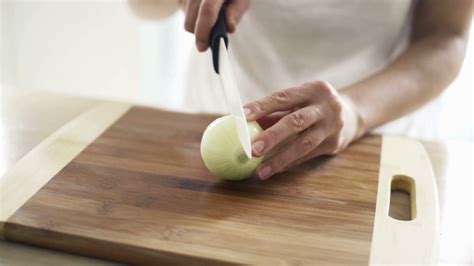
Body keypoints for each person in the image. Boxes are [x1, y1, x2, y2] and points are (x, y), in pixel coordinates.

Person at [130, 0, 472, 180]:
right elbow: (143, 5)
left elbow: (446, 37)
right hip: (215, 112)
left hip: (383, 137)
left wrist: (354, 111)